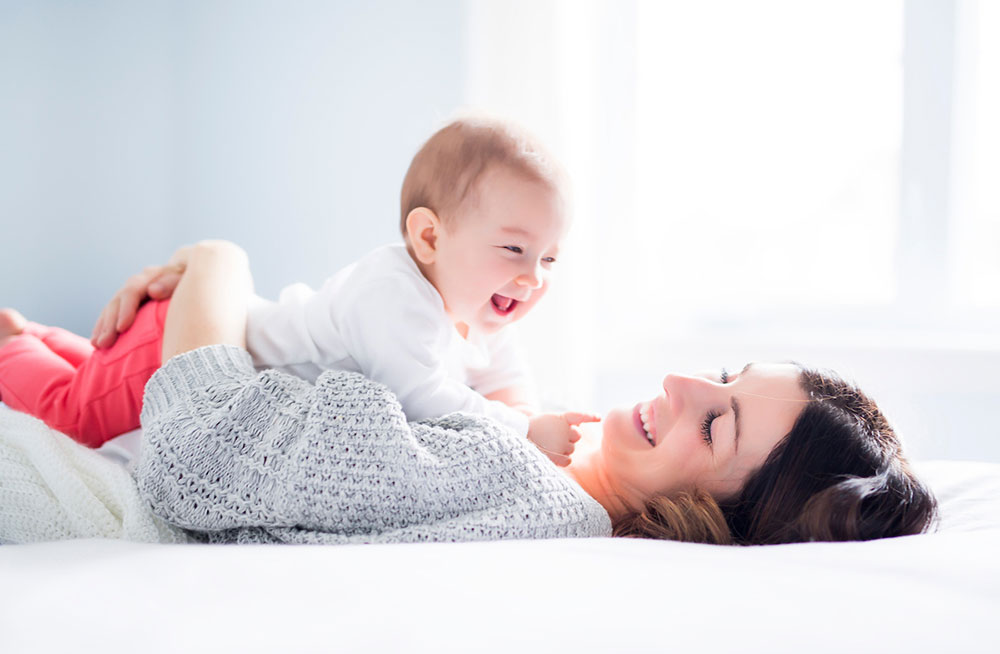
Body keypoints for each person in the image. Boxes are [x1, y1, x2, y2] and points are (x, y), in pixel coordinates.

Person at [15, 240, 933, 545]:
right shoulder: (545, 467)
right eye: (723, 374)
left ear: (713, 515)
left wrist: (218, 264)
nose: (680, 382)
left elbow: (205, 457)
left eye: (716, 417)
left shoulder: (516, 488)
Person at [0, 117, 594, 465]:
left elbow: (506, 383)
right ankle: (10, 348)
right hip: (182, 343)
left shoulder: (480, 315)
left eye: (550, 258)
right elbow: (419, 399)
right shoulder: (394, 294)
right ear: (430, 236)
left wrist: (530, 417)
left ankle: (39, 336)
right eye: (514, 250)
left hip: (183, 334)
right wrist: (523, 434)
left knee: (95, 377)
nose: (533, 276)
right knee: (74, 415)